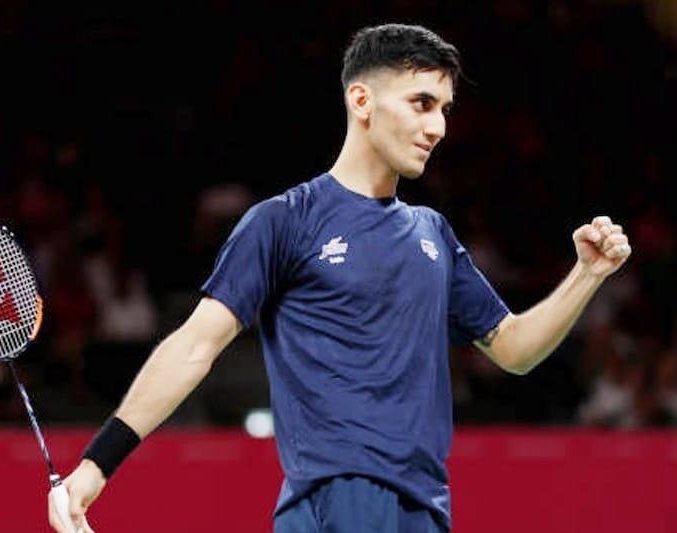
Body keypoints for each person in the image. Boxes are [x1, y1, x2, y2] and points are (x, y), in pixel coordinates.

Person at [48, 23, 632, 533]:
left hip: (427, 508)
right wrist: (98, 463)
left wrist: (586, 275)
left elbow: (514, 349)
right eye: (421, 103)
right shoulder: (285, 222)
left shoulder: (432, 233)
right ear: (362, 100)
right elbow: (195, 345)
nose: (438, 126)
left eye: (444, 110)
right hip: (339, 498)